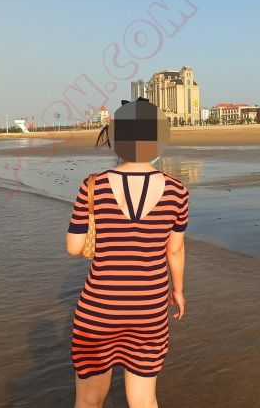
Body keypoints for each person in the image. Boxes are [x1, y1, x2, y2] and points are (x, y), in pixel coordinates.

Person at [66, 98, 189, 408]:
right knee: (144, 399)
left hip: (99, 308)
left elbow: (74, 248)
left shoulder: (92, 186)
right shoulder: (177, 191)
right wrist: (178, 291)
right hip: (149, 308)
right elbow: (175, 250)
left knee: (89, 399)